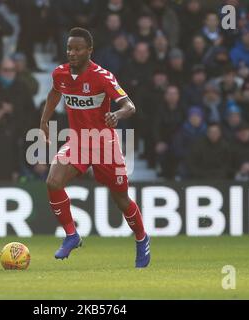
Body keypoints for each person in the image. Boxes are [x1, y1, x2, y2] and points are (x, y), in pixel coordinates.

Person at [39, 27, 150, 268]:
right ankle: (71, 235)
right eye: (69, 48)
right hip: (77, 141)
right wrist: (44, 120)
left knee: (121, 199)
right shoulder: (60, 74)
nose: (72, 53)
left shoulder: (102, 76)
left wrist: (117, 114)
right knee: (52, 182)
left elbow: (130, 106)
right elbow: (54, 94)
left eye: (78, 49)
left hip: (104, 144)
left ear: (89, 50)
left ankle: (141, 238)